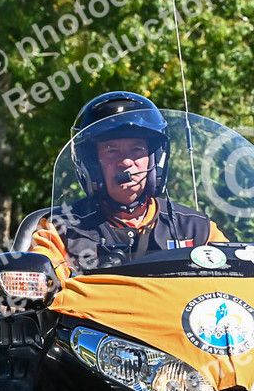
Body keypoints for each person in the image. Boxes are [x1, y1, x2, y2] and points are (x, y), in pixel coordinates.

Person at [29, 91, 224, 279]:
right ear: (92, 163)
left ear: (154, 160)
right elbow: (40, 283)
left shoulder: (196, 228)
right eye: (111, 150)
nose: (126, 162)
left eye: (137, 149)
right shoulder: (61, 229)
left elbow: (233, 280)